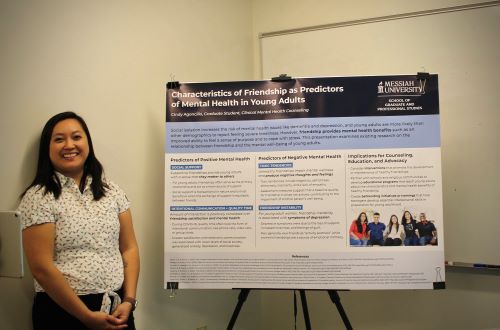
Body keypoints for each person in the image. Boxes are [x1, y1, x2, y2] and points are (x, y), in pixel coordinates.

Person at [18, 112, 140, 330]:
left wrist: (129, 300)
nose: (69, 145)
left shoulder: (112, 191)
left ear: (87, 143)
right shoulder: (39, 197)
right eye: (59, 139)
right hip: (62, 313)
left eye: (76, 137)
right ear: (47, 147)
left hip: (117, 307)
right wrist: (85, 316)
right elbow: (41, 268)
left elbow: (129, 248)